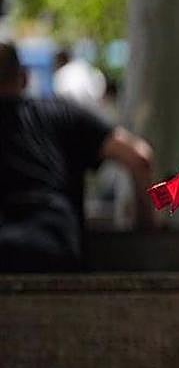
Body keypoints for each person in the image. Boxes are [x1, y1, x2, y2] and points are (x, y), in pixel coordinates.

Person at [0, 40, 155, 273]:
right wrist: (145, 225)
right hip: (54, 248)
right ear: (23, 77)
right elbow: (139, 158)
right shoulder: (61, 113)